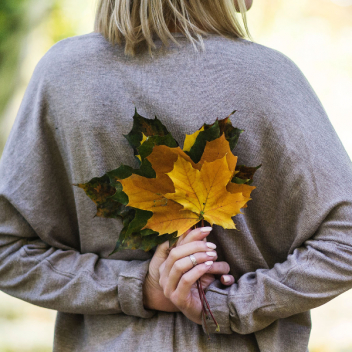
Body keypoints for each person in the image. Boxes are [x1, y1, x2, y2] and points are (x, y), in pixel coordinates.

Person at [0, 1, 352, 351]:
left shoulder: (64, 74)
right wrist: (232, 304)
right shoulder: (268, 76)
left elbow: (8, 248)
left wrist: (131, 286)